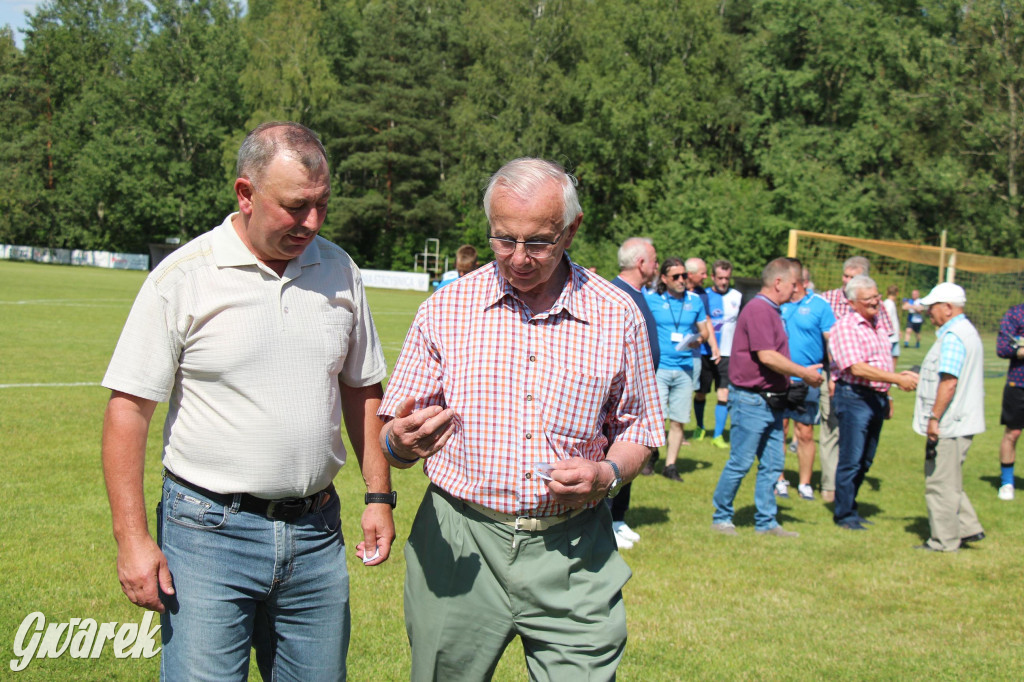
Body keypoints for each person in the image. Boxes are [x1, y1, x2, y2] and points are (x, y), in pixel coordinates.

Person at [100, 122, 394, 680]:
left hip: (315, 534)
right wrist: (133, 540)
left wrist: (378, 495)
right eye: (294, 206)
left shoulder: (339, 270)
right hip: (206, 533)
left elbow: (360, 388)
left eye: (322, 205)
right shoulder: (183, 277)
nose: (311, 222)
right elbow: (127, 412)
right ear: (245, 193)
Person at [378, 158, 664, 680]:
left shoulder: (618, 314)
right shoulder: (445, 308)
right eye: (503, 239)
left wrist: (607, 475)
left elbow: (640, 429)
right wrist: (399, 442)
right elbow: (393, 438)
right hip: (458, 540)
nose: (519, 258)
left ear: (572, 229)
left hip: (574, 550)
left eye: (538, 242)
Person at [711, 258, 823, 537]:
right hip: (751, 400)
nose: (796, 290)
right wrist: (804, 374)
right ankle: (721, 517)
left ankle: (767, 522)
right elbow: (767, 356)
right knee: (740, 462)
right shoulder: (760, 309)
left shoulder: (772, 310)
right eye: (794, 284)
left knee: (773, 463)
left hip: (771, 401)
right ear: (778, 283)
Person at [829, 275, 919, 530]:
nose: (875, 303)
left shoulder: (878, 323)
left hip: (876, 397)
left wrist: (887, 393)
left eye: (877, 297)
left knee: (866, 459)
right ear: (852, 302)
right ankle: (844, 515)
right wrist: (896, 379)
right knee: (852, 458)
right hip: (854, 397)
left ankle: (851, 507)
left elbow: (884, 360)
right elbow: (856, 367)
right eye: (868, 300)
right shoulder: (846, 327)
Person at [911, 283, 986, 551]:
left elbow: (949, 382)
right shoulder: (966, 332)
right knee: (950, 479)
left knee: (939, 483)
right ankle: (967, 528)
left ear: (948, 308)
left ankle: (943, 541)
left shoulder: (953, 336)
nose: (930, 311)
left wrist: (934, 418)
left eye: (934, 306)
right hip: (961, 420)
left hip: (950, 423)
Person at [608, 237, 662, 548]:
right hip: (618, 400)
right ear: (641, 263)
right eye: (654, 260)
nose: (657, 265)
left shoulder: (639, 295)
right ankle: (606, 520)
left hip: (638, 397)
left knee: (631, 456)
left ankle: (618, 518)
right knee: (613, 458)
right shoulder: (616, 294)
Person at [819, 256, 885, 502]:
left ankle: (846, 496)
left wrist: (887, 386)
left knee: (863, 449)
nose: (845, 281)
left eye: (852, 277)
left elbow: (886, 347)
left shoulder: (877, 310)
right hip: (839, 378)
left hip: (872, 386)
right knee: (832, 431)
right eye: (844, 275)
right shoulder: (828, 301)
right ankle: (830, 487)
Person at [647, 257, 709, 481]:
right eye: (676, 276)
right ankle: (652, 454)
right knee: (657, 418)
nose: (682, 280)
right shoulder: (651, 299)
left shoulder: (695, 300)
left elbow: (705, 330)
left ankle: (670, 466)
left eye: (684, 275)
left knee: (678, 419)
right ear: (664, 278)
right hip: (660, 367)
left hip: (685, 367)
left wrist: (699, 339)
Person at [778, 265, 835, 501]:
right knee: (778, 430)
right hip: (780, 377)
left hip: (809, 379)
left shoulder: (820, 305)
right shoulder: (778, 303)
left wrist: (832, 376)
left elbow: (830, 343)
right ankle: (778, 479)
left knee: (805, 432)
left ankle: (804, 483)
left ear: (798, 281)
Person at [698, 259, 741, 449]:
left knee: (724, 393)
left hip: (728, 354)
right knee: (701, 393)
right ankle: (700, 427)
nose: (724, 282)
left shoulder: (738, 297)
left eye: (727, 278)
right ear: (713, 277)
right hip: (704, 352)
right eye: (720, 278)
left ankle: (718, 435)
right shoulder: (704, 296)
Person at [685, 257, 721, 440]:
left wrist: (714, 346)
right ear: (690, 274)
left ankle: (681, 432)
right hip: (671, 354)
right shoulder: (673, 289)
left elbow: (707, 321)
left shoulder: (702, 295)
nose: (706, 277)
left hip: (695, 352)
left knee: (687, 393)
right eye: (703, 273)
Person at [996, 300, 1024, 500]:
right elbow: (1002, 347)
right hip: (1018, 384)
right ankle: (1007, 483)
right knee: (1012, 433)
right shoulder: (1015, 314)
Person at [883, 284, 902, 365]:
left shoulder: (888, 303)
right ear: (897, 293)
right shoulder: (889, 304)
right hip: (891, 336)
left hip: (893, 335)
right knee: (892, 357)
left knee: (895, 355)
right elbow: (887, 319)